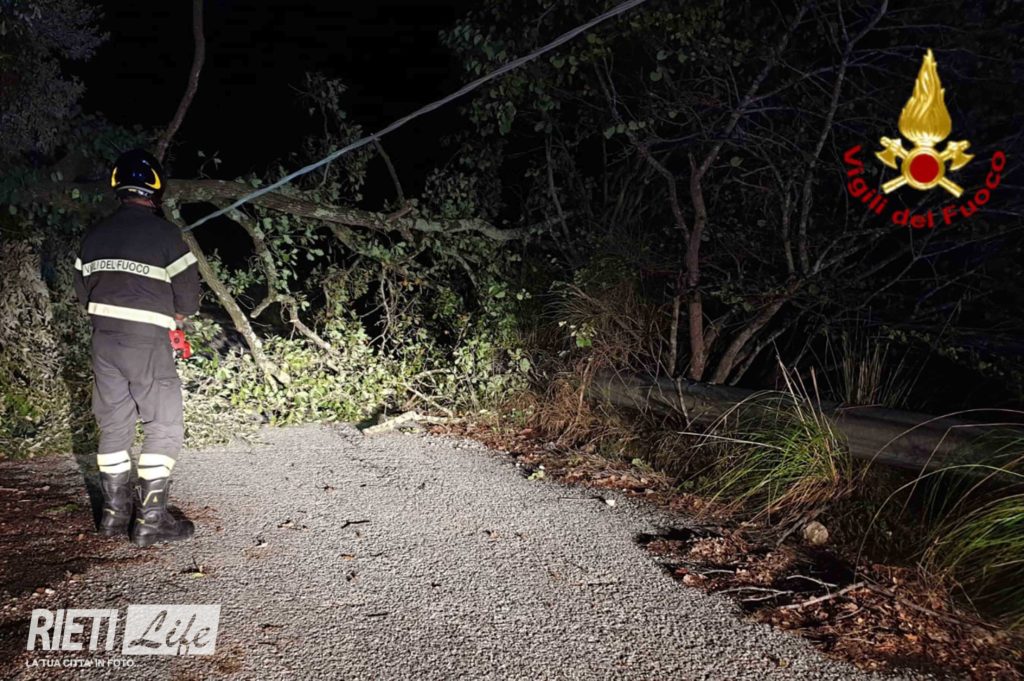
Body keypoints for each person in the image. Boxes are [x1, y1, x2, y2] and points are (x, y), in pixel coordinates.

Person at [73, 149, 201, 548]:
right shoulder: (167, 235)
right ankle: (150, 521)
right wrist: (176, 317)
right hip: (146, 343)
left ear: (118, 187)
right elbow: (189, 298)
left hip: (104, 342)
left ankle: (113, 516)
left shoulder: (94, 236)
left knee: (114, 425)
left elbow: (82, 294)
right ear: (156, 190)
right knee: (164, 425)